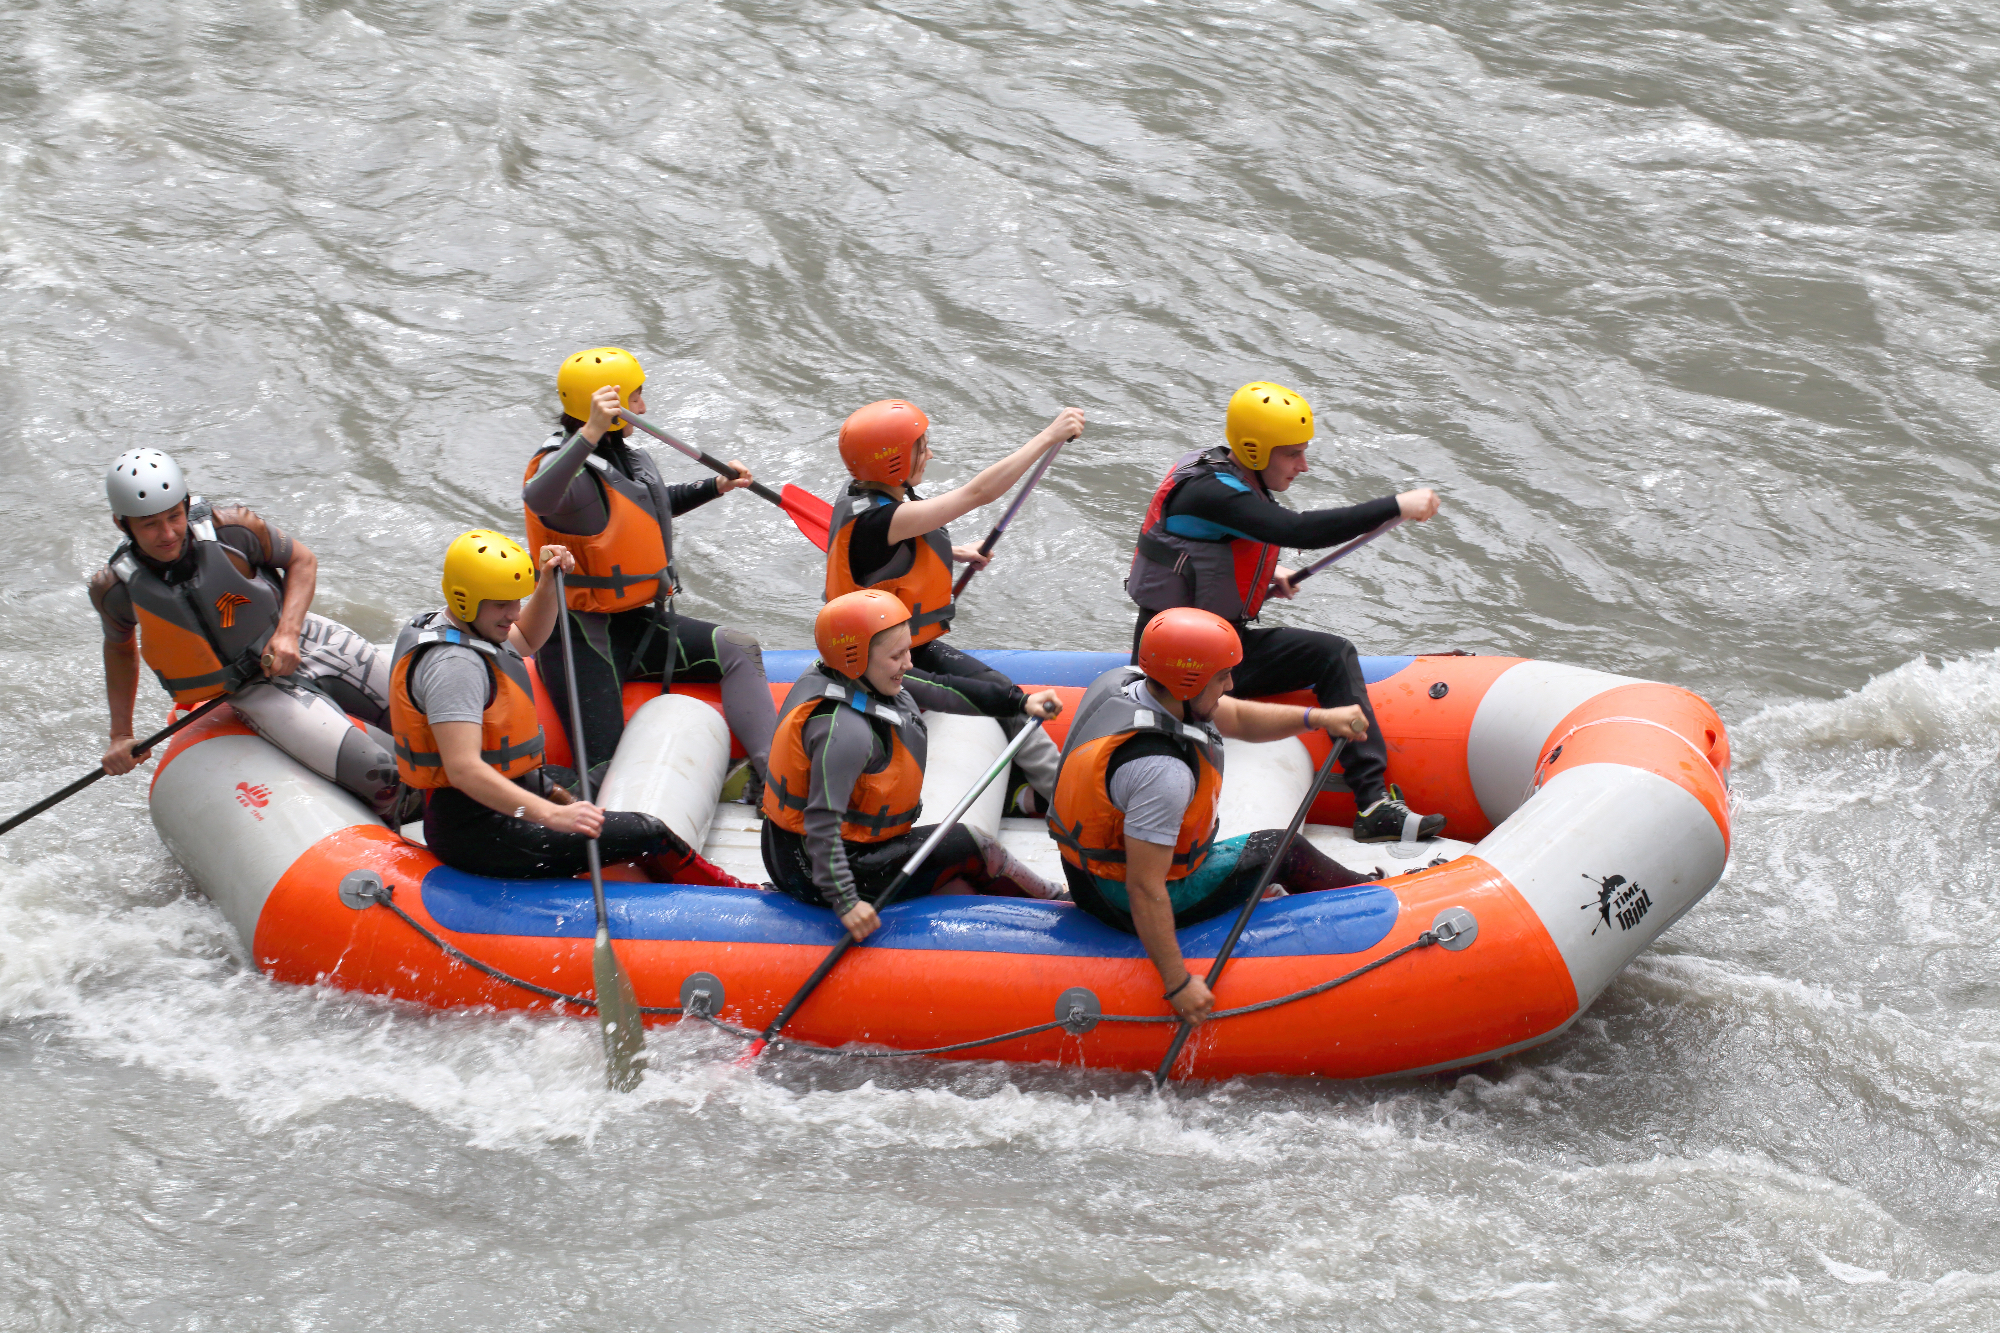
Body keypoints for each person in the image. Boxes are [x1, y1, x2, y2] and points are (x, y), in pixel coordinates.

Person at [1125, 380, 1445, 842]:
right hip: (1179, 662)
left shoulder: (1234, 478)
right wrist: (1395, 505)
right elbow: (1297, 529)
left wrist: (1266, 574)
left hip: (1221, 641)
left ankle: (1374, 805)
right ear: (1255, 452)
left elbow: (1221, 545)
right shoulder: (1208, 492)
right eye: (1292, 454)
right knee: (1326, 656)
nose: (1304, 465)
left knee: (1332, 654)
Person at [1049, 608, 1379, 1024]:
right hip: (1120, 900)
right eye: (1221, 676)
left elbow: (1239, 717)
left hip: (1087, 875)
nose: (1230, 684)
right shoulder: (1160, 772)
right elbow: (1145, 887)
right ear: (1188, 683)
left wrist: (1319, 718)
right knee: (1283, 850)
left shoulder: (1136, 690)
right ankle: (1374, 901)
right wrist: (1178, 984)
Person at [389, 529, 749, 885]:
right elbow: (463, 769)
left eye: (516, 601)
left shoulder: (465, 626)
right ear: (464, 598)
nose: (514, 614)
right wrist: (551, 815)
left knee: (581, 791)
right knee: (646, 831)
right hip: (478, 830)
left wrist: (547, 583)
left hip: (505, 796)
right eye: (502, 605)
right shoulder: (455, 667)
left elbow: (527, 639)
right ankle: (732, 893)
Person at [90, 448, 407, 821]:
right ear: (121, 524)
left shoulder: (234, 530)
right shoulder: (115, 589)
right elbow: (119, 650)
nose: (168, 533)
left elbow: (302, 561)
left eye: (174, 516)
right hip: (255, 688)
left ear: (187, 504)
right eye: (149, 525)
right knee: (379, 774)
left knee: (431, 719)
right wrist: (120, 735)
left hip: (310, 639)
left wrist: (287, 633)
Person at [523, 347, 777, 802]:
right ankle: (520, 788)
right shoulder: (566, 466)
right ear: (605, 408)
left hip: (634, 622)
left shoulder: (623, 455)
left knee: (739, 647)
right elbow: (538, 496)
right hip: (578, 638)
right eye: (635, 398)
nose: (643, 408)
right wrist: (589, 433)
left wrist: (715, 486)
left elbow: (647, 507)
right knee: (607, 774)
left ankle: (777, 782)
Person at [761, 589, 1069, 942]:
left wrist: (1020, 702)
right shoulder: (844, 732)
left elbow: (941, 689)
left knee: (952, 868)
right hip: (813, 869)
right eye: (897, 655)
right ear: (855, 659)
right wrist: (845, 902)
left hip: (815, 849)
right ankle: (1058, 900)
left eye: (908, 649)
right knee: (971, 843)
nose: (908, 662)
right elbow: (821, 823)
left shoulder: (854, 676)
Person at [825, 399, 1084, 814]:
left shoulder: (868, 495)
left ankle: (1056, 795)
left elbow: (886, 558)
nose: (929, 454)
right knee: (997, 697)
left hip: (901, 642)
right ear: (892, 462)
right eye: (921, 447)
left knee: (999, 687)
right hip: (874, 662)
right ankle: (1073, 809)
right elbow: (978, 493)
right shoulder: (880, 523)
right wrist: (1049, 436)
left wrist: (956, 552)